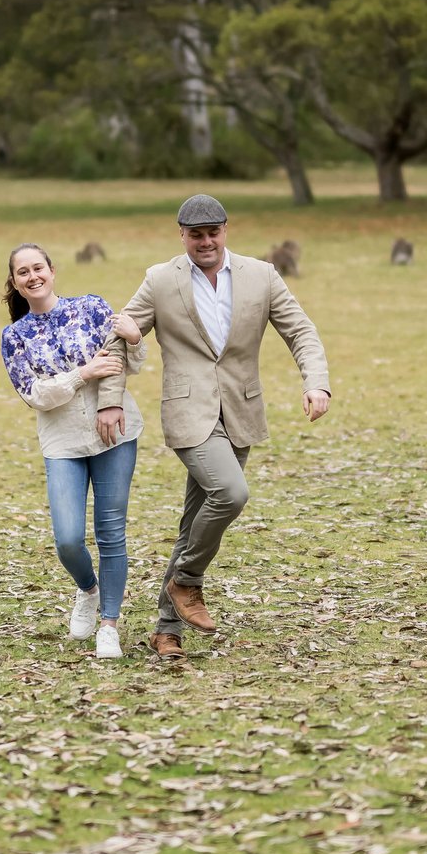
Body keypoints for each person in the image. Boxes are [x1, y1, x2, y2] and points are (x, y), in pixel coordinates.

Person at [112, 195, 329, 658]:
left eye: (213, 232)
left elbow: (301, 331)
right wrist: (109, 402)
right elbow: (118, 339)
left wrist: (318, 384)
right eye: (196, 235)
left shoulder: (261, 275)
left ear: (226, 230)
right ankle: (186, 581)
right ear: (182, 235)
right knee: (231, 494)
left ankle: (166, 630)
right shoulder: (159, 280)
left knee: (194, 522)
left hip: (240, 412)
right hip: (189, 413)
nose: (205, 242)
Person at [0, 244, 146, 660]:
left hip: (114, 432)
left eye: (38, 268)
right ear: (15, 282)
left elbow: (126, 363)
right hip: (62, 442)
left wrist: (134, 341)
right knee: (67, 539)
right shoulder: (14, 337)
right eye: (22, 272)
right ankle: (88, 590)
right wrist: (83, 373)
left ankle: (110, 626)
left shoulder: (92, 308)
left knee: (111, 531)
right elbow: (36, 395)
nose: (33, 276)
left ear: (52, 270)